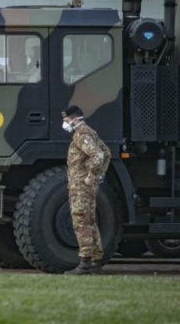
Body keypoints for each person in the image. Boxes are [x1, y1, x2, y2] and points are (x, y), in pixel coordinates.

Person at [61, 105, 111, 275]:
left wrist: (91, 176)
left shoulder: (81, 134)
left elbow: (98, 155)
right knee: (89, 221)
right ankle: (96, 260)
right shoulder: (90, 132)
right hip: (84, 186)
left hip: (81, 186)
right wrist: (99, 175)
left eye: (66, 120)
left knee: (81, 221)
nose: (64, 123)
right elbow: (106, 152)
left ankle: (85, 263)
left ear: (75, 119)